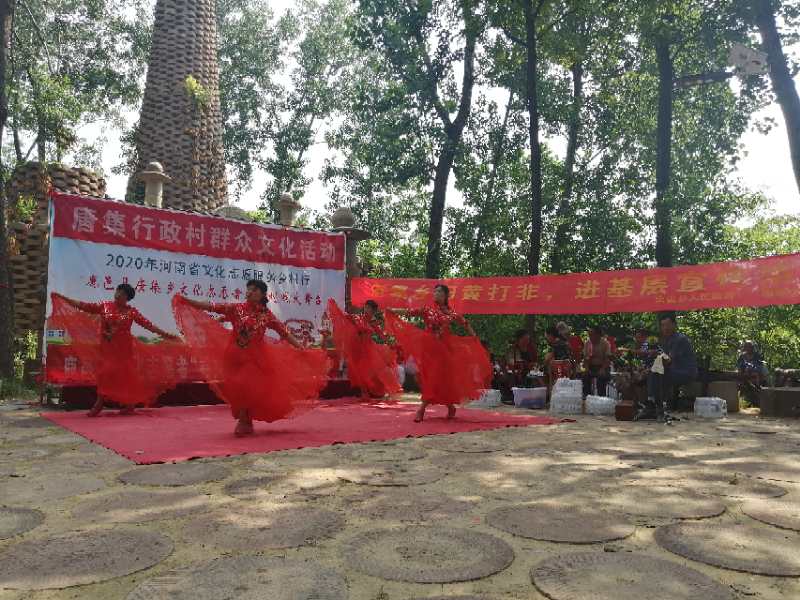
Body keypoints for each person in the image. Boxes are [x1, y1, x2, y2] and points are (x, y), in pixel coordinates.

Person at [172, 280, 330, 436]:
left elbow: (284, 332)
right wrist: (188, 301)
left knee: (246, 386)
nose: (249, 292)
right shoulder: (236, 309)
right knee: (238, 389)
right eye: (248, 289)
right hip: (234, 356)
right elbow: (211, 306)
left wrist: (300, 348)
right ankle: (246, 419)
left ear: (262, 294)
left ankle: (243, 421)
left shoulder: (266, 315)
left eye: (254, 290)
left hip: (256, 358)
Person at [50, 285, 179, 417]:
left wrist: (165, 334)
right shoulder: (105, 306)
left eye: (122, 293)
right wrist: (63, 298)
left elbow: (148, 325)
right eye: (117, 291)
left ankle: (129, 405)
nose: (117, 295)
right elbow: (84, 306)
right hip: (108, 349)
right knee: (105, 374)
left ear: (127, 298)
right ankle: (99, 403)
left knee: (126, 377)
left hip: (124, 350)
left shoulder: (131, 312)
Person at [385, 284, 491, 422]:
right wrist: (393, 310)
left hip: (444, 350)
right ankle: (450, 406)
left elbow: (465, 323)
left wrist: (474, 337)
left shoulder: (451, 313)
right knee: (434, 379)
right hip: (429, 349)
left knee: (436, 377)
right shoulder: (427, 309)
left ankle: (422, 409)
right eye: (435, 291)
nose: (435, 293)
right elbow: (409, 312)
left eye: (439, 291)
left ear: (445, 295)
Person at [327, 299, 401, 399]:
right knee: (359, 371)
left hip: (370, 350)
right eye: (366, 307)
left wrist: (390, 343)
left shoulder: (373, 321)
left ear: (373, 310)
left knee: (377, 369)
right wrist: (338, 311)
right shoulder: (359, 318)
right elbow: (348, 319)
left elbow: (381, 334)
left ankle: (385, 389)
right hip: (359, 349)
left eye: (369, 308)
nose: (366, 309)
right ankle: (364, 391)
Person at [637, 313, 698, 423]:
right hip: (671, 370)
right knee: (649, 374)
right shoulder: (665, 340)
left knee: (656, 373)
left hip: (684, 371)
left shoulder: (680, 339)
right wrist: (647, 366)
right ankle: (651, 405)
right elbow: (661, 359)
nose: (665, 328)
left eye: (668, 325)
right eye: (663, 325)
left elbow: (668, 360)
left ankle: (657, 408)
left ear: (674, 325)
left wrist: (653, 361)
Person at [582, 325, 612, 397]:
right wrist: (587, 368)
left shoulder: (605, 343)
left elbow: (607, 359)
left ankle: (601, 398)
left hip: (603, 366)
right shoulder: (587, 343)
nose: (590, 337)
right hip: (591, 366)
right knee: (585, 376)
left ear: (598, 335)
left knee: (601, 378)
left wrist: (602, 369)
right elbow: (585, 358)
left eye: (592, 335)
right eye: (589, 335)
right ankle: (587, 397)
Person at [737, 341, 768, 406]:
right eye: (747, 347)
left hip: (756, 373)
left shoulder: (757, 355)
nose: (749, 348)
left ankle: (759, 391)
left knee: (761, 372)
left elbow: (761, 365)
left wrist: (754, 369)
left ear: (752, 347)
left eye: (750, 347)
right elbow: (739, 366)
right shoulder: (742, 356)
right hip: (744, 373)